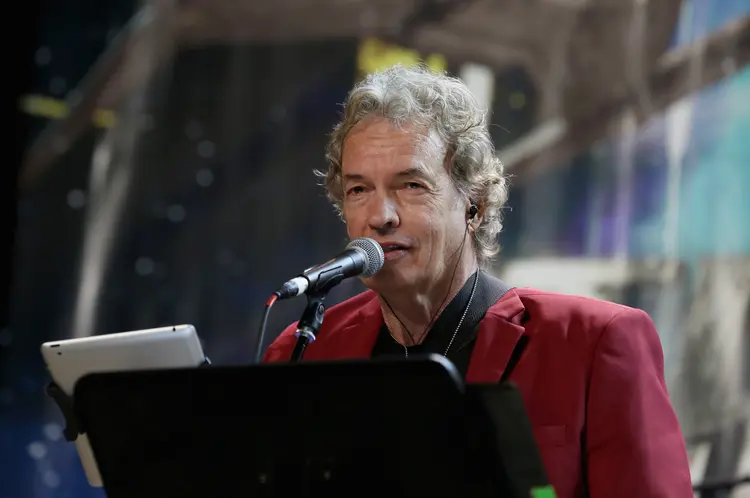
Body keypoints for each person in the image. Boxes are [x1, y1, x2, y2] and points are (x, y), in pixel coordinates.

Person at [263, 64, 693, 497]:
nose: (380, 216)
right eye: (359, 190)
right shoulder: (302, 351)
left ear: (476, 205)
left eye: (411, 185)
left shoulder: (594, 342)